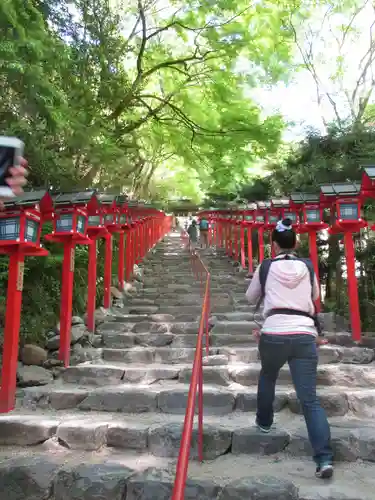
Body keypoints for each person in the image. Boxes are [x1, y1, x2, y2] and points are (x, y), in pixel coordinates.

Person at [245, 218, 333, 480]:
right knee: (310, 400)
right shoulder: (307, 266)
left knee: (268, 375)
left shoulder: (266, 266)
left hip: (273, 331)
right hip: (304, 333)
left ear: (273, 245)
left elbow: (250, 297)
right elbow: (315, 297)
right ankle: (324, 458)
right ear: (296, 242)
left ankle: (264, 422)